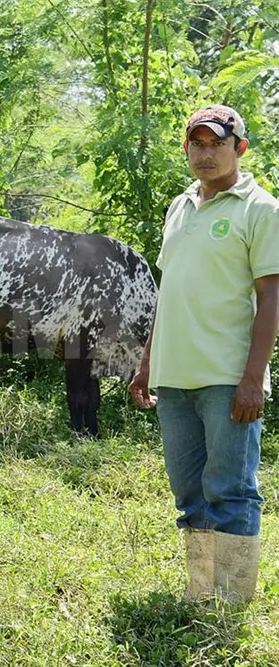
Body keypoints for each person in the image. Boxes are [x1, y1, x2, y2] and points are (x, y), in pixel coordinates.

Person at [130, 104, 279, 604]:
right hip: (174, 379)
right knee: (190, 493)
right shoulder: (180, 207)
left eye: (217, 143)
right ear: (186, 149)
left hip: (227, 377)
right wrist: (149, 361)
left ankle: (232, 602)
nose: (206, 153)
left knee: (230, 490)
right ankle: (201, 594)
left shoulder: (260, 209)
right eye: (197, 143)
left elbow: (271, 297)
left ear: (240, 147)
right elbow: (169, 290)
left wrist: (253, 378)